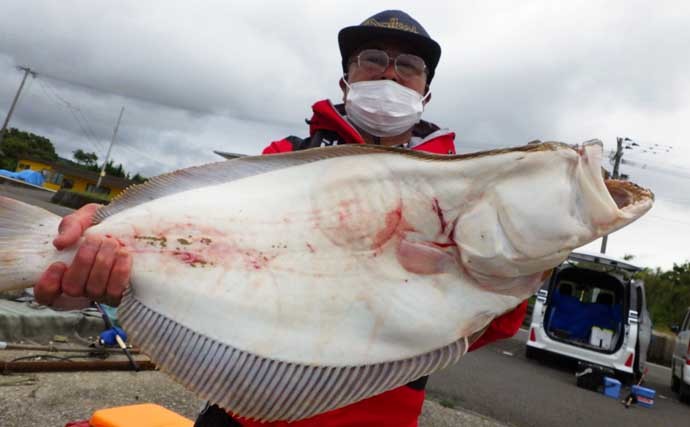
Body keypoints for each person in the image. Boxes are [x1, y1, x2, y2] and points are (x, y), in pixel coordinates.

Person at [34, 10, 528, 427]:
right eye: (372, 60)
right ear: (346, 80)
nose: (389, 74)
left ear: (426, 93)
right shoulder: (283, 158)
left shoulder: (462, 186)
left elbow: (482, 324)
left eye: (409, 66)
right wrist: (103, 242)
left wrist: (522, 267)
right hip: (245, 414)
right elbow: (201, 236)